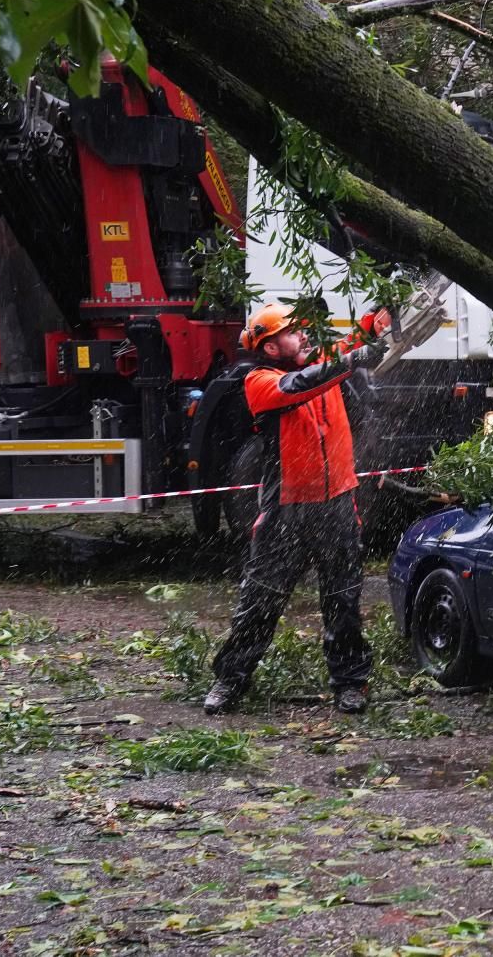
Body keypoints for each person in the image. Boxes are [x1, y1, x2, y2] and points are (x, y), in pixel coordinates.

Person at [204, 302, 391, 716]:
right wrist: (352, 359)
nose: (305, 335)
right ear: (271, 348)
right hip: (285, 512)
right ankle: (230, 679)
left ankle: (350, 682)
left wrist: (374, 321)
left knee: (343, 601)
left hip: (338, 504)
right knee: (260, 602)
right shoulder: (261, 382)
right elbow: (308, 382)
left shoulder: (322, 357)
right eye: (294, 332)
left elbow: (351, 344)